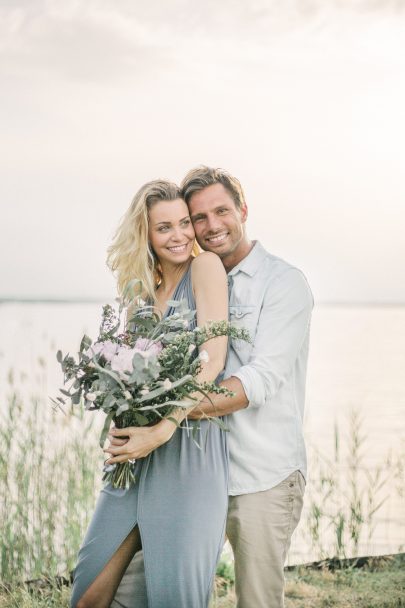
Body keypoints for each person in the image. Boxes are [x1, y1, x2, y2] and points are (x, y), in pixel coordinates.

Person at [113, 166, 314, 608]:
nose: (210, 226)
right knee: (144, 589)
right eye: (197, 217)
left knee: (257, 601)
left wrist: (165, 418)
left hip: (258, 476)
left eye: (221, 211)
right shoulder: (180, 282)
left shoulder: (283, 284)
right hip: (188, 473)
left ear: (243, 210)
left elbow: (255, 382)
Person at [70, 179, 230, 608]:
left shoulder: (206, 267)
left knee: (174, 598)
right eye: (164, 228)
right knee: (88, 594)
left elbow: (212, 361)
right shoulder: (138, 294)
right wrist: (120, 418)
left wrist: (162, 428)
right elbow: (126, 373)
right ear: (146, 234)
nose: (179, 235)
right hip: (135, 457)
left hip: (187, 455)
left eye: (184, 223)